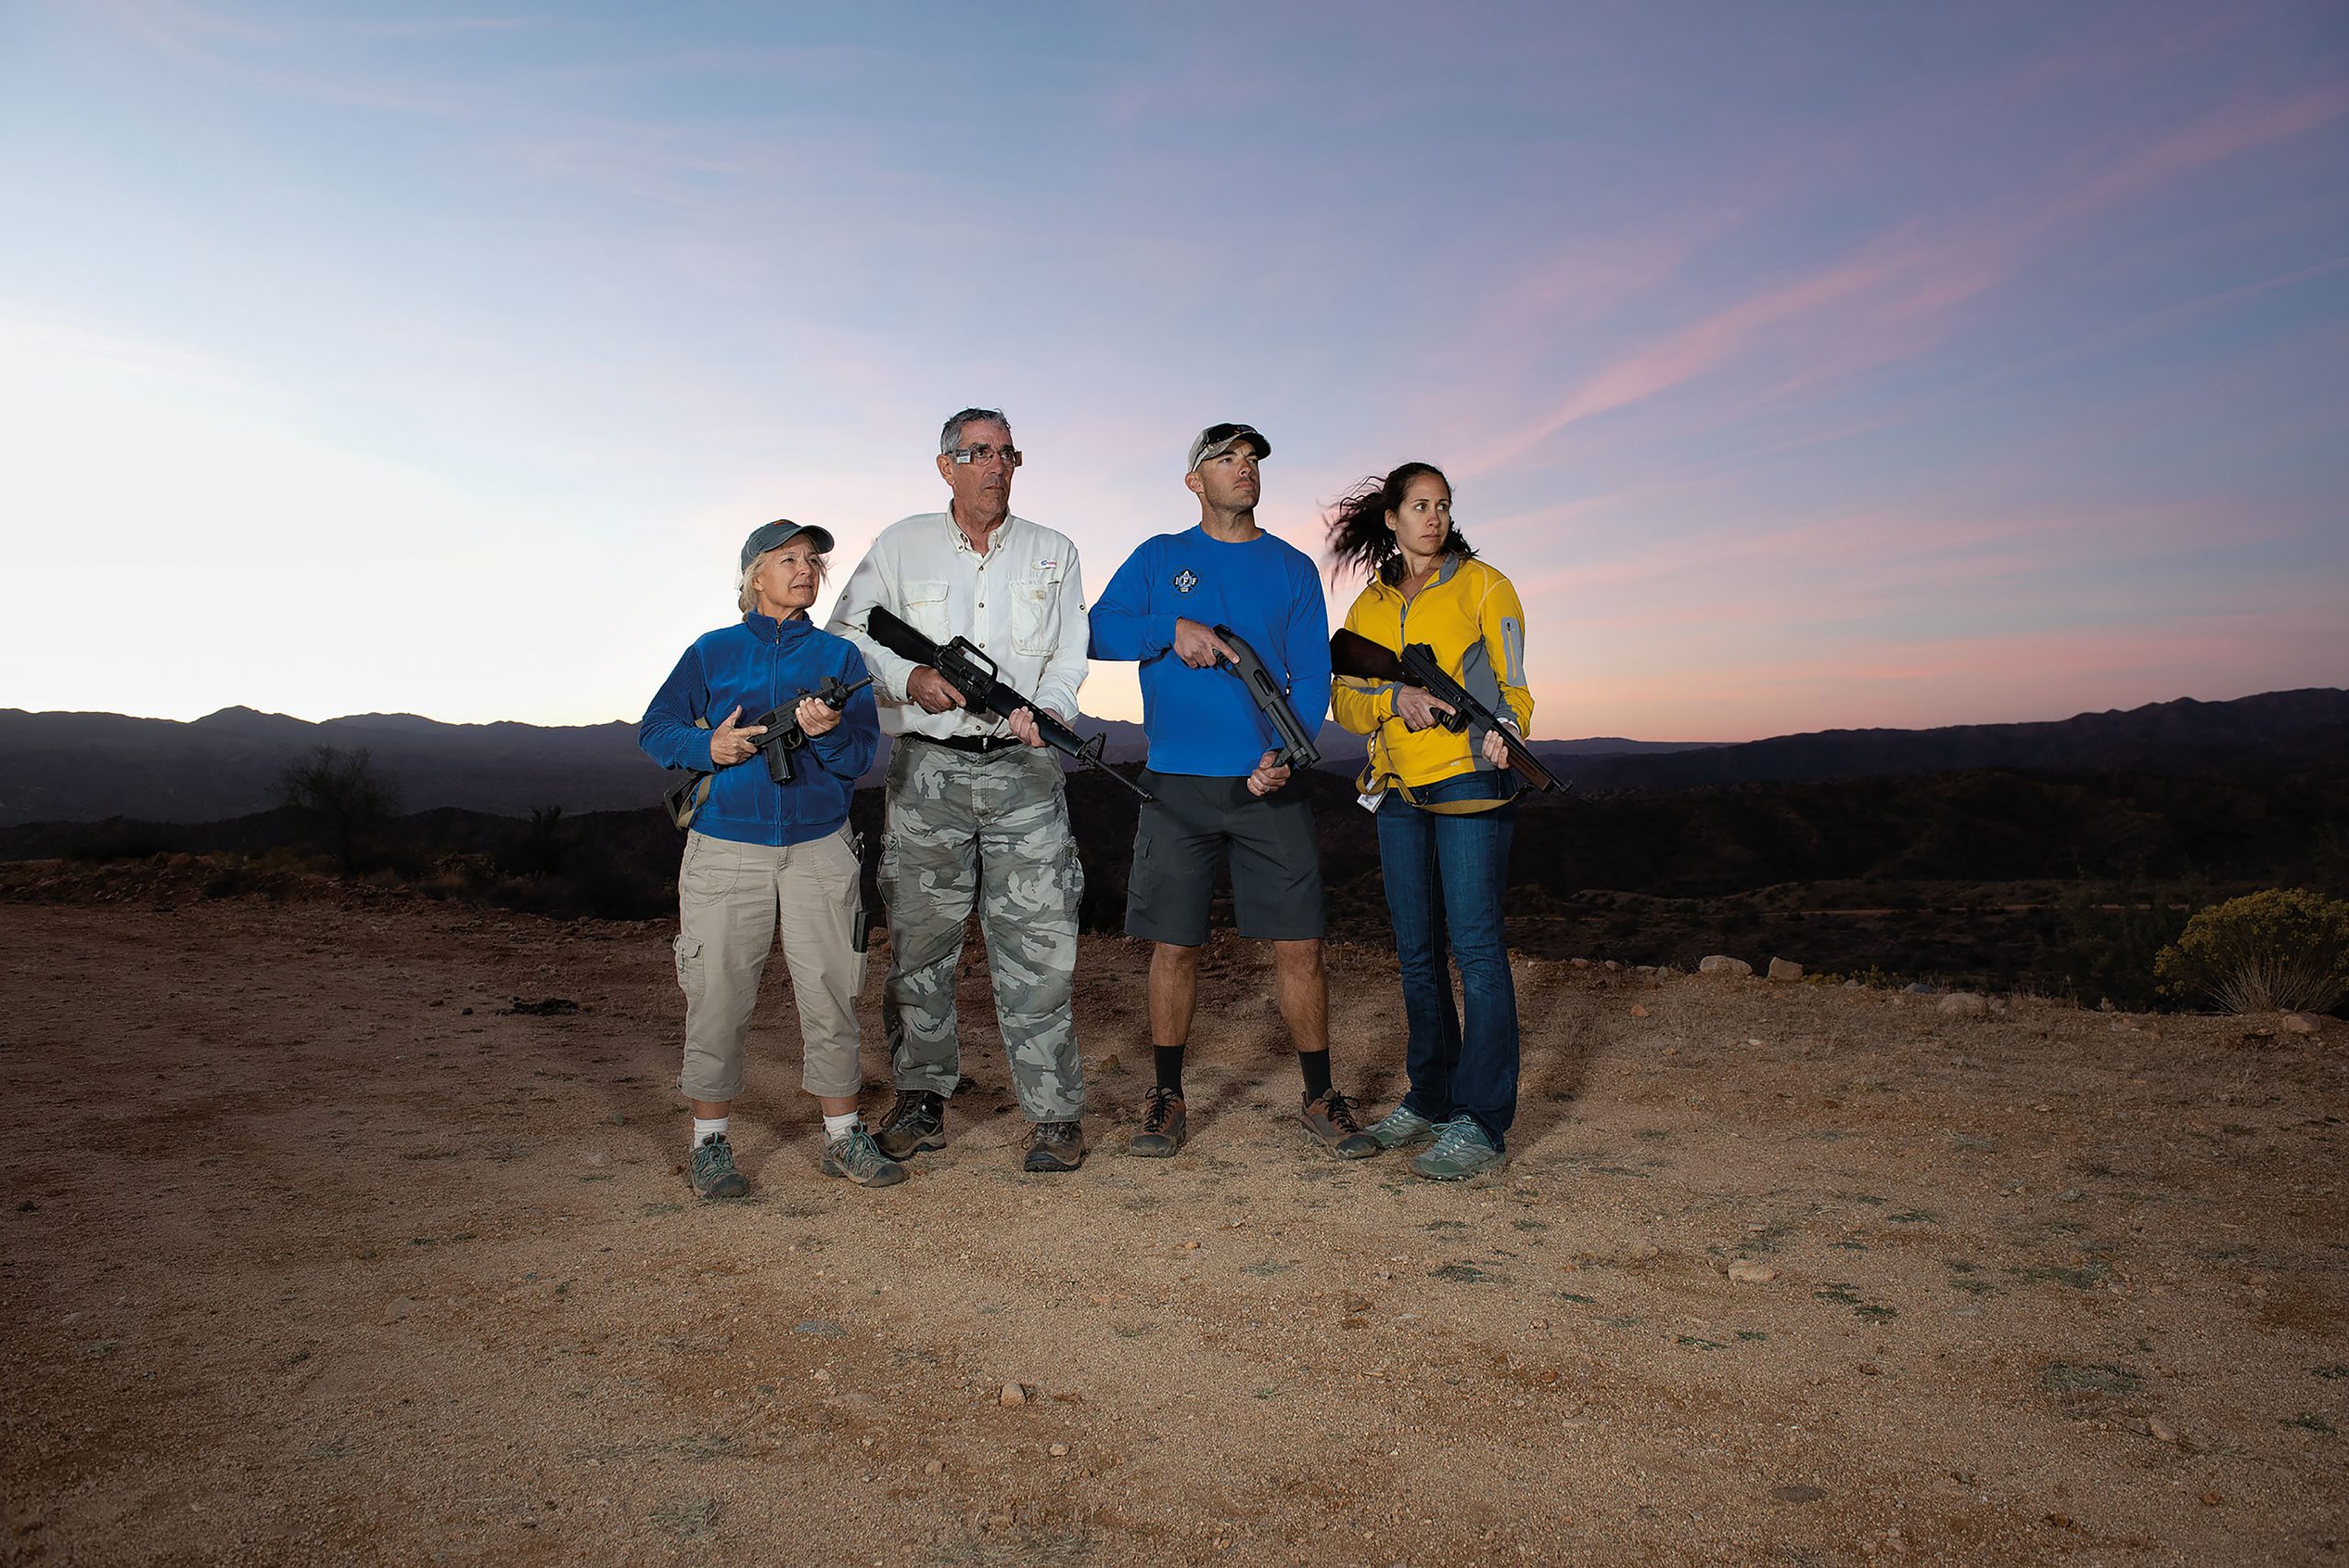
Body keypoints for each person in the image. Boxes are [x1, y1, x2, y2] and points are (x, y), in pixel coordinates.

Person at [1088, 422, 1379, 1162]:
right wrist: (1170, 627)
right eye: (1227, 459)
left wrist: (1286, 752)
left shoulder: (1289, 568)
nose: (1244, 469)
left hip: (1270, 784)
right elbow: (1096, 629)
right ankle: (1166, 1095)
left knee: (1301, 945)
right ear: (1195, 481)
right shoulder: (1160, 556)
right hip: (1177, 783)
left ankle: (1320, 1095)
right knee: (1174, 946)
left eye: (1252, 460)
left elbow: (1311, 675)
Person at [826, 408, 1092, 1173]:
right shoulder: (900, 545)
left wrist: (1056, 715)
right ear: (945, 466)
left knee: (1040, 945)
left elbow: (1070, 657)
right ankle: (920, 1101)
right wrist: (908, 677)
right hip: (927, 771)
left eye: (1008, 453)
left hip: (1026, 769)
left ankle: (1054, 1115)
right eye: (979, 453)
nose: (997, 467)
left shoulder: (1054, 551)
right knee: (919, 944)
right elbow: (847, 635)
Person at [639, 519, 896, 1195]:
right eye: (789, 559)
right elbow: (656, 727)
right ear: (755, 574)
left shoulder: (840, 659)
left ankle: (843, 1137)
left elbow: (860, 756)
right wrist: (709, 750)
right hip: (726, 848)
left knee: (833, 993)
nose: (807, 569)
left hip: (819, 847)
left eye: (813, 560)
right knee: (717, 993)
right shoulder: (713, 651)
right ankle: (710, 1144)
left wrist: (831, 731)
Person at [1327, 462, 1532, 1180]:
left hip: (1471, 782)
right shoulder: (1368, 608)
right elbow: (1344, 702)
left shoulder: (1485, 584)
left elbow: (1514, 687)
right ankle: (1431, 1098)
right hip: (1396, 792)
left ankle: (1481, 1123)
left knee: (1476, 950)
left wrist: (1506, 728)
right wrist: (1394, 701)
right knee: (1417, 953)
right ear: (1392, 517)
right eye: (1419, 505)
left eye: (1443, 505)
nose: (1434, 517)